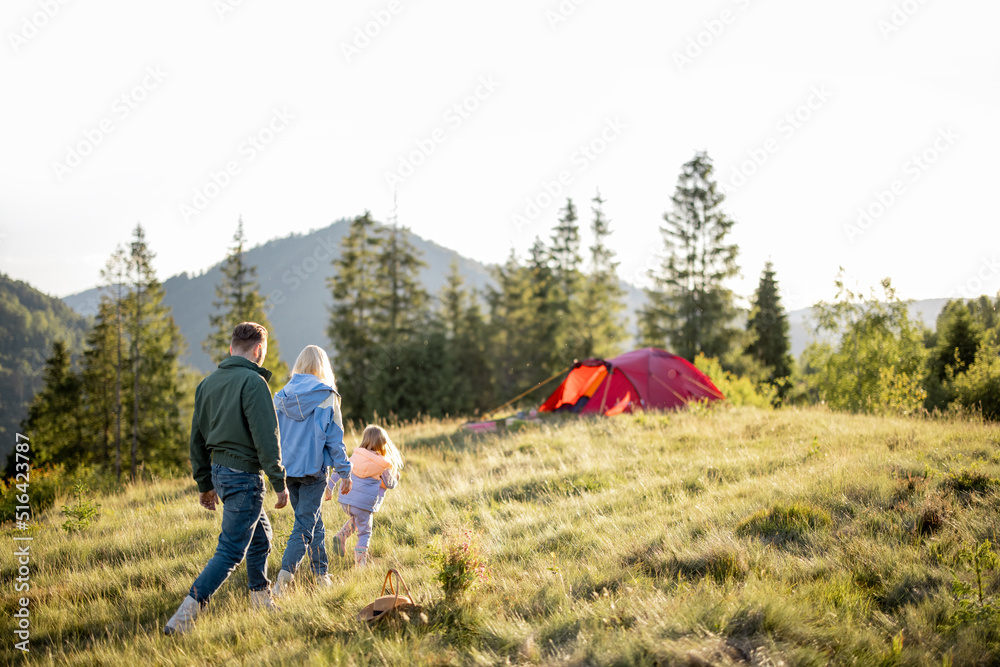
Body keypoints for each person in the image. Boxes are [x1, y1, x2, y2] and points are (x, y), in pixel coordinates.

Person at [164, 322, 288, 636]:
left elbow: (196, 439)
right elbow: (266, 437)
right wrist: (279, 482)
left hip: (220, 473)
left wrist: (205, 484)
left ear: (232, 348)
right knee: (231, 550)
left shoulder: (207, 384)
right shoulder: (254, 382)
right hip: (244, 476)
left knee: (261, 536)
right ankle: (183, 618)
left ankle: (260, 598)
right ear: (259, 350)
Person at [270, 345, 352, 597]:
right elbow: (334, 439)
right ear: (322, 366)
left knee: (312, 521)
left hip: (288, 472)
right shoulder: (327, 395)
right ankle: (283, 580)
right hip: (314, 472)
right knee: (305, 525)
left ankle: (321, 574)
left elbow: (273, 436)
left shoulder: (280, 396)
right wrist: (345, 472)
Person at [332, 424, 403, 567]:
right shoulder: (381, 463)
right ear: (383, 444)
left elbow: (340, 470)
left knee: (358, 519)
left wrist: (330, 485)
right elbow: (390, 484)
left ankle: (341, 536)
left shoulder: (356, 456)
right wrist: (396, 478)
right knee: (365, 532)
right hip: (363, 503)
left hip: (346, 500)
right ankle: (361, 566)